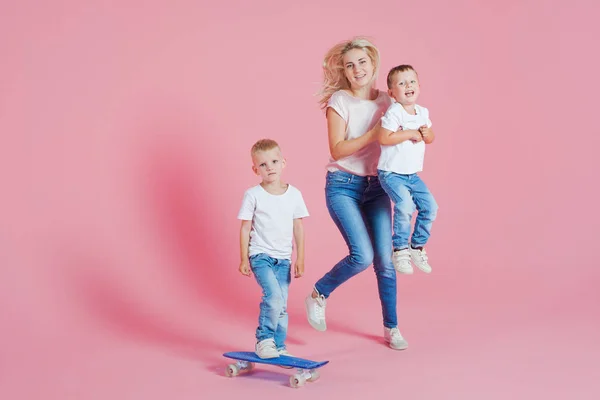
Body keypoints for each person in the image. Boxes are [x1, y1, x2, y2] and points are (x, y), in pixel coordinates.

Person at [304, 37, 408, 350]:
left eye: (362, 62)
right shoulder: (340, 101)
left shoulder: (387, 102)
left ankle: (392, 328)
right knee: (361, 255)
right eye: (350, 65)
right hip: (343, 186)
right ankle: (319, 293)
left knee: (385, 262)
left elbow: (398, 137)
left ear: (373, 64)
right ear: (345, 72)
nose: (357, 69)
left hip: (377, 187)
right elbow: (337, 149)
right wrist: (374, 134)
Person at [238, 139, 309, 358]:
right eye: (263, 164)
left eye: (274, 161)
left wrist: (300, 258)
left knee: (282, 303)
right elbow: (245, 227)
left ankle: (278, 345)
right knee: (274, 296)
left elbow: (298, 226)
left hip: (284, 259)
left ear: (283, 163)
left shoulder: (294, 194)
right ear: (255, 169)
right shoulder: (253, 195)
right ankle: (264, 340)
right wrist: (243, 259)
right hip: (260, 255)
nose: (269, 167)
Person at [375, 64, 439, 274]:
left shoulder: (423, 112)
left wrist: (426, 134)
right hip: (392, 173)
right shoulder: (395, 112)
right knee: (405, 205)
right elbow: (384, 137)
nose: (408, 86)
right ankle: (400, 249)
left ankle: (416, 247)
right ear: (392, 93)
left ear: (419, 86)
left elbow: (430, 137)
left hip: (412, 175)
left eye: (411, 82)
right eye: (401, 83)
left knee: (430, 207)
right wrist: (410, 133)